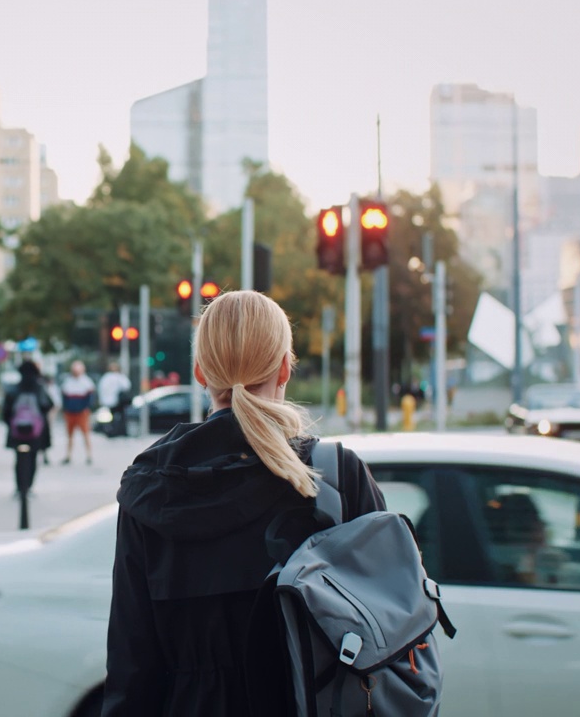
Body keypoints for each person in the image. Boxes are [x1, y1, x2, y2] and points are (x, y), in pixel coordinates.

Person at [101, 290, 387, 716]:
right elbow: (392, 625)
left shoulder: (150, 487)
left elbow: (133, 665)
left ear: (200, 372)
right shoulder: (334, 476)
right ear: (286, 368)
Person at [3, 359, 54, 498]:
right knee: (32, 458)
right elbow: (48, 405)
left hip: (17, 431)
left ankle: (20, 487)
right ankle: (29, 486)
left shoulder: (14, 388)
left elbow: (6, 411)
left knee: (19, 459)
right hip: (36, 432)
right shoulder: (39, 388)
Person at [59, 360, 96, 465]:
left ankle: (89, 455)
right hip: (70, 412)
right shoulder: (68, 382)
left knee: (85, 434)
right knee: (70, 435)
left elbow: (90, 398)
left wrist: (86, 408)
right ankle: (68, 455)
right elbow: (64, 397)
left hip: (82, 413)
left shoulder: (86, 382)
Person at [98, 362, 133, 437]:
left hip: (114, 401)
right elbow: (127, 386)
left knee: (115, 417)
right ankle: (116, 431)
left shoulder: (107, 377)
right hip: (115, 401)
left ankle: (115, 431)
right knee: (117, 417)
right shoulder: (116, 377)